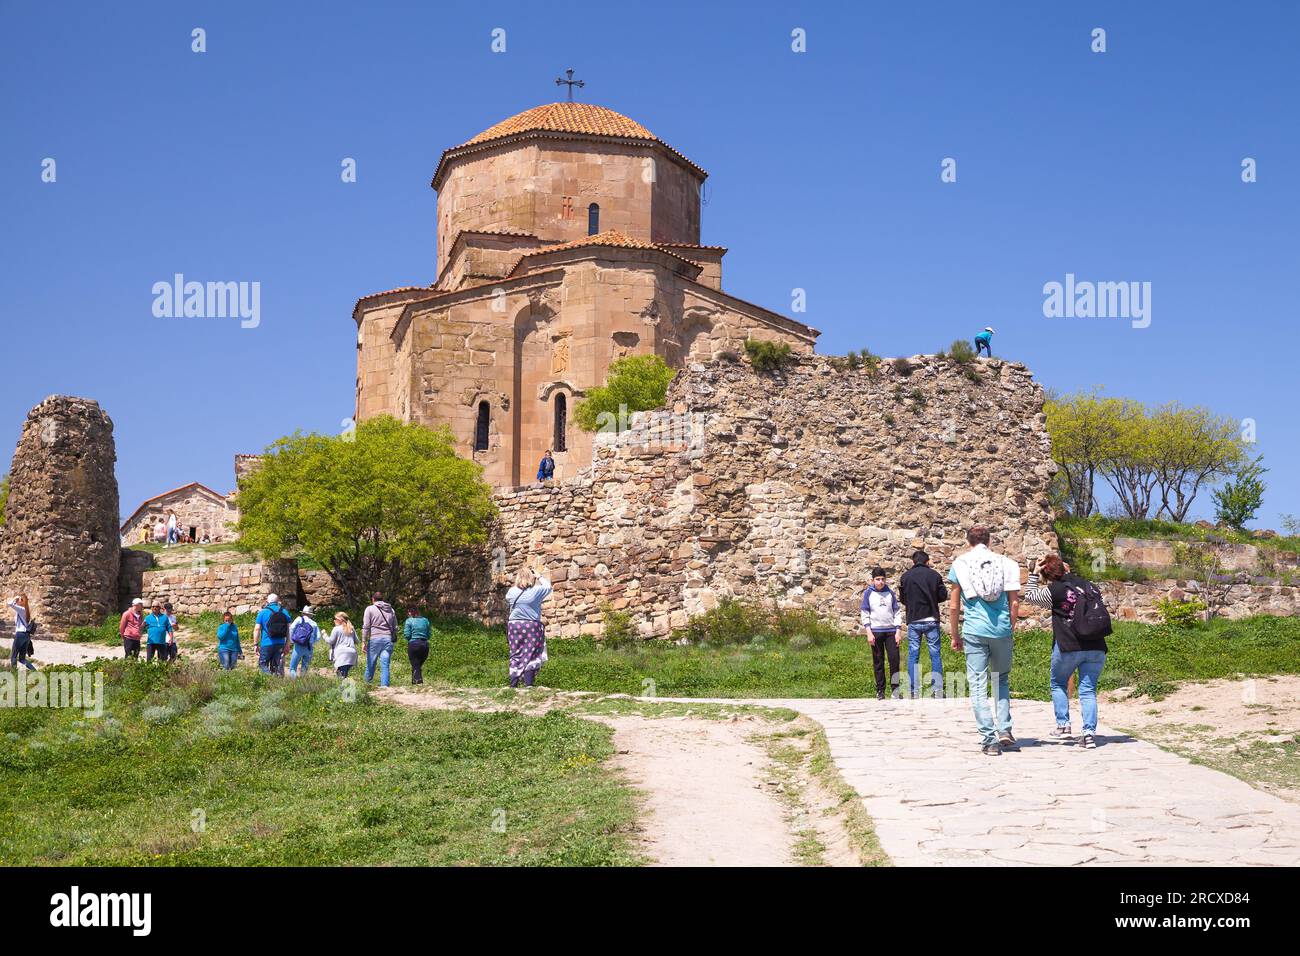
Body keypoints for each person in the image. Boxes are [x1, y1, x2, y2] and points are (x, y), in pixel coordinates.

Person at [1023, 554, 1111, 749]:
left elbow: (1030, 596)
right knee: (1088, 691)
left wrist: (1033, 574)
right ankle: (1088, 735)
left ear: (1047, 575)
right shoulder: (1088, 585)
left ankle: (1063, 726)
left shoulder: (1054, 590)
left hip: (1069, 646)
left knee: (1058, 682)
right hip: (1096, 645)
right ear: (1065, 569)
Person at [947, 527, 1022, 756]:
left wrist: (954, 635)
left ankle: (989, 740)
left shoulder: (961, 563)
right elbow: (1015, 603)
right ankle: (1005, 730)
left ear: (968, 541)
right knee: (1001, 679)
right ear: (989, 541)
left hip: (974, 630)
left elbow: (953, 605)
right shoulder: (1006, 563)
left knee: (978, 685)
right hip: (1001, 630)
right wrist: (1010, 627)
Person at [898, 550, 948, 698]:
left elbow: (903, 599)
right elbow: (943, 595)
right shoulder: (935, 576)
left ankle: (913, 691)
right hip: (931, 618)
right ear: (927, 561)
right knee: (935, 654)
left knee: (914, 654)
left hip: (914, 619)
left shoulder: (905, 577)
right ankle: (937, 690)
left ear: (913, 561)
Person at [504, 565, 552, 688]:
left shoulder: (511, 592)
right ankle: (528, 684)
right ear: (531, 577)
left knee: (516, 653)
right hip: (531, 626)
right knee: (532, 653)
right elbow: (548, 586)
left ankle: (513, 684)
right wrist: (539, 576)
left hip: (514, 626)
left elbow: (508, 599)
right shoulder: (536, 591)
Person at [860, 568, 903, 700]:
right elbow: (865, 613)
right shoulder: (868, 593)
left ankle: (895, 689)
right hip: (876, 632)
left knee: (894, 660)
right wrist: (868, 632)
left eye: (883, 579)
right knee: (878, 661)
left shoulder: (890, 593)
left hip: (890, 631)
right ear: (873, 580)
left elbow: (896, 612)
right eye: (878, 579)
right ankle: (880, 690)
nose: (880, 582)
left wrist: (898, 631)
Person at [362, 592, 399, 687]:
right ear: (382, 599)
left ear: (373, 599)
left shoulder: (369, 609)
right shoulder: (391, 609)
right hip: (388, 639)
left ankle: (366, 685)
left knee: (371, 663)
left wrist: (363, 641)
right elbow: (395, 626)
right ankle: (385, 687)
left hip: (375, 638)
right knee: (385, 664)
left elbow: (366, 626)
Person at [254, 593, 291, 675]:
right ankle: (274, 682)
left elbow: (257, 629)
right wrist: (288, 643)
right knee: (276, 666)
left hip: (267, 643)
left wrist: (255, 644)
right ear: (277, 601)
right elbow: (289, 629)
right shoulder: (284, 612)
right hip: (280, 643)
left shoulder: (262, 612)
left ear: (267, 601)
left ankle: (268, 677)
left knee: (262, 664)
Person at [287, 605, 321, 677]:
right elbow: (318, 637)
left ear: (303, 613)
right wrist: (312, 642)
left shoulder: (299, 619)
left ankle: (293, 684)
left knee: (293, 667)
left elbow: (291, 628)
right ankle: (302, 681)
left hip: (298, 646)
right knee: (304, 668)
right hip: (309, 647)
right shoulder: (314, 624)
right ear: (311, 615)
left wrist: (292, 640)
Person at [403, 608, 432, 685]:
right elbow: (429, 635)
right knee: (417, 665)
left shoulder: (409, 621)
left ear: (410, 612)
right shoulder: (425, 620)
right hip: (425, 645)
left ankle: (418, 682)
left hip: (414, 645)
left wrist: (411, 639)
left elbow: (407, 635)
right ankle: (414, 682)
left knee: (415, 664)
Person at [325, 611, 358, 678]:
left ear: (339, 620)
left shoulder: (336, 629)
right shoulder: (351, 628)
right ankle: (344, 686)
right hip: (352, 654)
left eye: (335, 619)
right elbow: (357, 641)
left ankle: (342, 688)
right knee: (343, 674)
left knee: (341, 676)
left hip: (342, 654)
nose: (334, 620)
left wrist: (324, 635)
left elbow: (331, 641)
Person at [7, 595, 36, 671]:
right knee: (22, 659)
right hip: (26, 635)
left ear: (23, 602)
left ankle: (13, 673)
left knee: (13, 656)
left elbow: (9, 603)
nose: (18, 600)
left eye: (20, 599)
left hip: (20, 634)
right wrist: (17, 600)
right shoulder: (25, 610)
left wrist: (15, 598)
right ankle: (34, 671)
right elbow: (14, 605)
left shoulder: (22, 609)